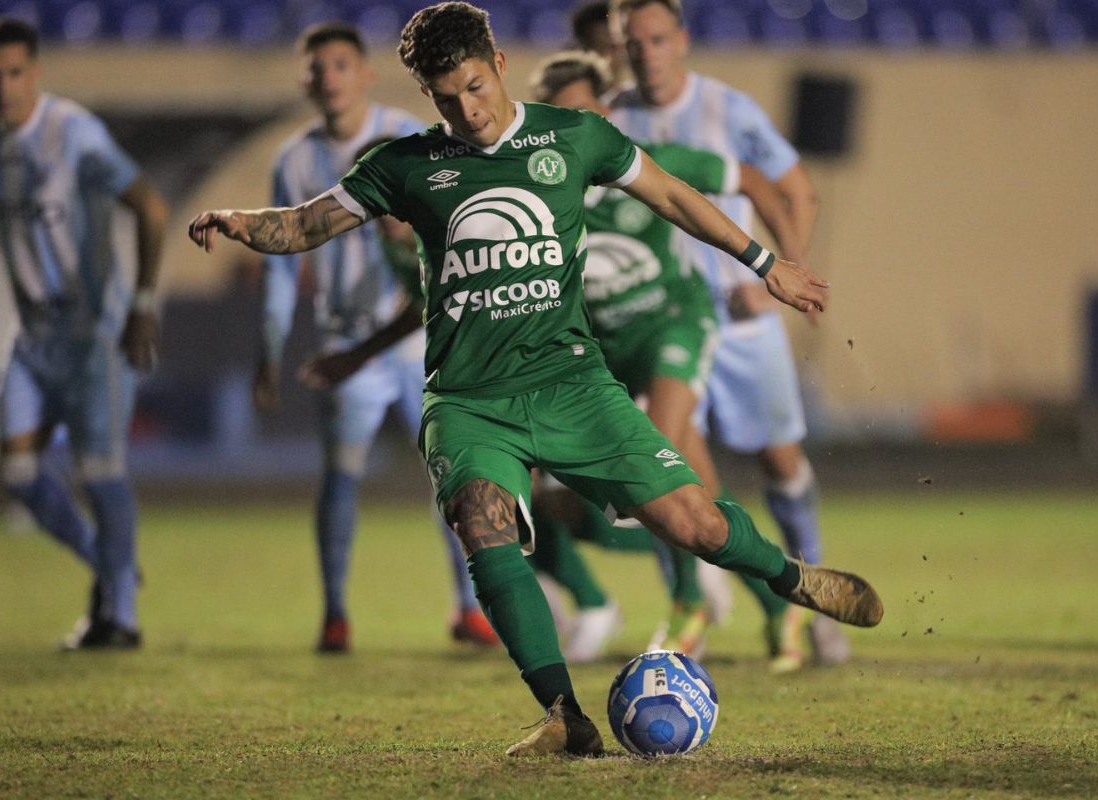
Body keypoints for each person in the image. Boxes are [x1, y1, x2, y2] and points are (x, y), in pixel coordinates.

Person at [189, 1, 881, 757]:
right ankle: (566, 716)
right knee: (482, 522)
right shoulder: (406, 164)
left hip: (572, 384)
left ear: (501, 66)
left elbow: (676, 196)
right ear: (426, 93)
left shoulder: (572, 137)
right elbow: (304, 224)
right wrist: (239, 221)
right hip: (467, 400)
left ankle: (791, 580)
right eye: (447, 97)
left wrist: (763, 263)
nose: (469, 110)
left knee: (699, 525)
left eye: (478, 87)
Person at [525, 50, 813, 664]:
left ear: (604, 111)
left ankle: (688, 603)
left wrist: (785, 262)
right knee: (692, 494)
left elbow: (755, 181)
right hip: (604, 352)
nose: (573, 126)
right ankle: (775, 604)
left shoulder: (641, 161)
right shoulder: (539, 185)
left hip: (674, 327)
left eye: (583, 111)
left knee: (662, 454)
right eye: (560, 116)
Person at [609, 0, 848, 671]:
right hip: (666, 321)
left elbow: (795, 188)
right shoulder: (609, 116)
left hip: (742, 319)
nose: (647, 53)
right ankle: (692, 606)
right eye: (634, 43)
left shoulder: (728, 109)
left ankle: (813, 595)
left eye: (657, 39)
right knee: (668, 466)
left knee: (780, 464)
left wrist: (787, 267)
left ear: (681, 40)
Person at [258, 22, 496, 653]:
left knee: (455, 476)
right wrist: (270, 346)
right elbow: (284, 262)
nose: (328, 77)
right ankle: (336, 613)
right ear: (304, 79)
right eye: (317, 67)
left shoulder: (413, 142)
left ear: (365, 74)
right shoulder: (295, 159)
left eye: (340, 64)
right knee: (342, 477)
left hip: (425, 342)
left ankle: (470, 608)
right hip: (348, 342)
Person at [0, 17, 168, 648]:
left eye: (14, 74)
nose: (3, 87)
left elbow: (152, 208)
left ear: (36, 73)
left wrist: (142, 302)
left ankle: (122, 620)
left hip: (94, 338)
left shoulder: (73, 133)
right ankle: (113, 572)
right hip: (32, 342)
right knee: (18, 475)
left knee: (101, 472)